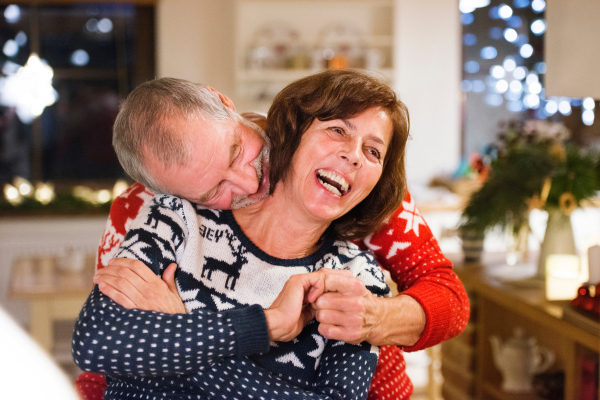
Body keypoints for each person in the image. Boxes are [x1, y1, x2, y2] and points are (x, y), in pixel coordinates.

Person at [74, 74, 470, 400]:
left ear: (223, 102)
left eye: (235, 152)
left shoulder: (361, 202)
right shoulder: (163, 212)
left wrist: (178, 329)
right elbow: (100, 352)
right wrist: (258, 326)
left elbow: (448, 296)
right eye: (213, 193)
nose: (249, 181)